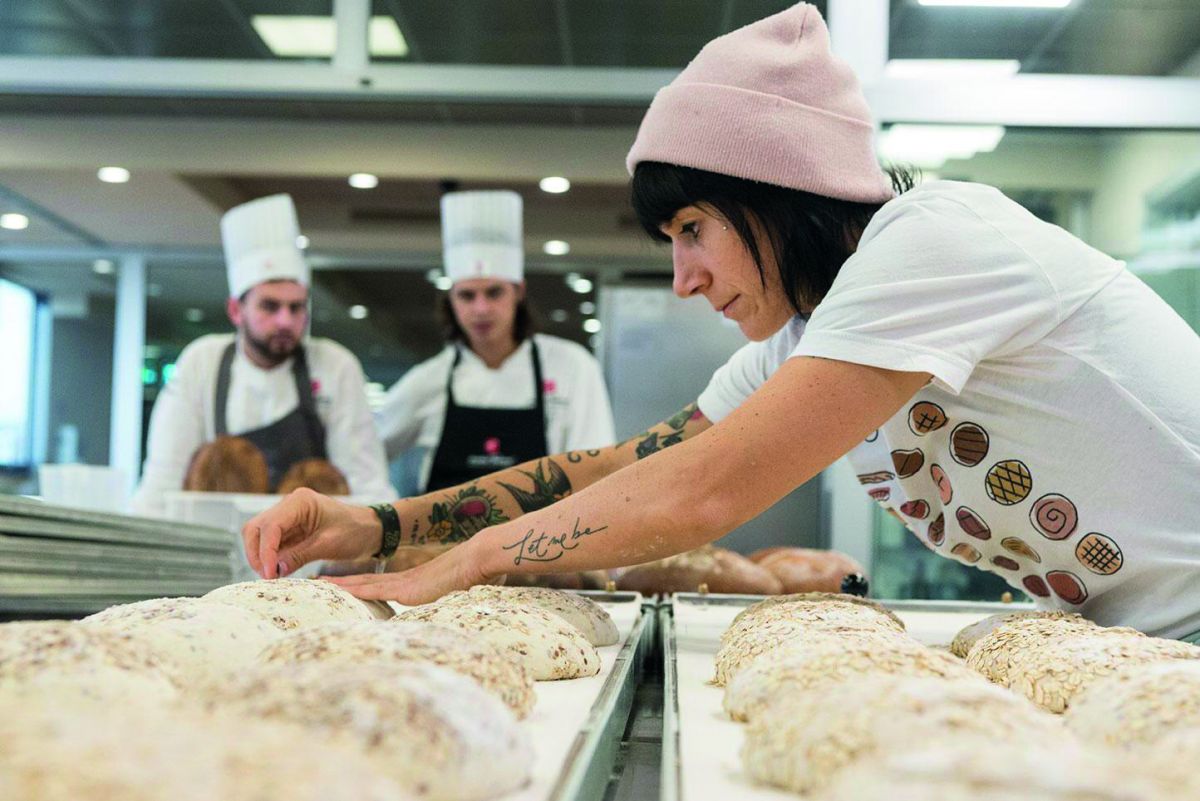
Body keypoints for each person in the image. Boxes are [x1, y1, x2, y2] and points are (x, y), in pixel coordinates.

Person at [242, 4, 1200, 640]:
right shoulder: (801, 334)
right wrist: (373, 525)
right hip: (1148, 645)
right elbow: (623, 469)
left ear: (784, 194)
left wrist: (457, 565)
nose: (684, 278)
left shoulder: (935, 242)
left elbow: (704, 492)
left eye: (693, 228)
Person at [131, 194, 395, 515]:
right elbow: (162, 483)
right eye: (270, 306)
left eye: (296, 307)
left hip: (311, 553)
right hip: (221, 544)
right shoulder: (202, 363)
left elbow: (367, 485)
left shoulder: (335, 366)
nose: (286, 320)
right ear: (235, 310)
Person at [374, 189, 615, 498]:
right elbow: (362, 457)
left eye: (494, 292)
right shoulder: (430, 378)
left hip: (541, 541)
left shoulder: (572, 366)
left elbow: (596, 468)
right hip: (446, 546)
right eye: (467, 295)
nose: (481, 309)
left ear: (519, 291)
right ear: (451, 300)